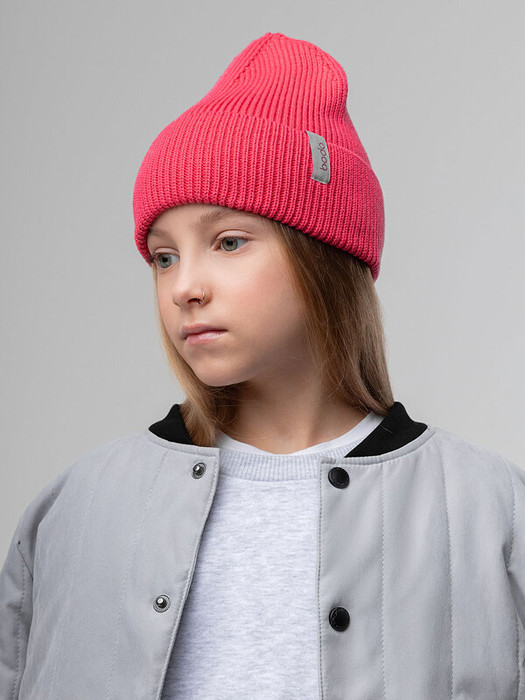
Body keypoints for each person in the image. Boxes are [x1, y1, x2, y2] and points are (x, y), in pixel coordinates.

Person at [0, 31, 523, 700]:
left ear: (323, 256)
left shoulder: (489, 510)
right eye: (164, 256)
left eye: (228, 242)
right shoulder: (77, 508)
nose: (185, 286)